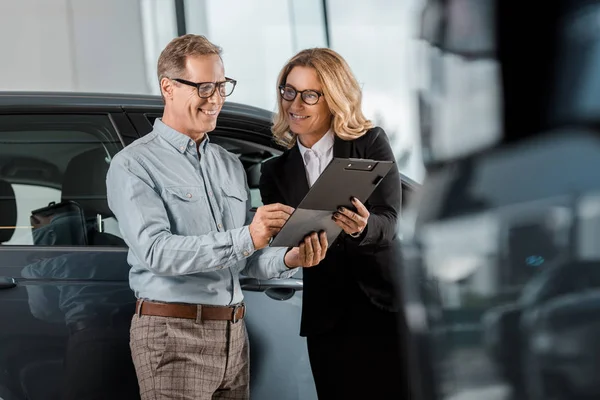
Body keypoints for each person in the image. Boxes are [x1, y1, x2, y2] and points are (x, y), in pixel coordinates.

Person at [106, 34, 327, 400]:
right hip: (172, 334)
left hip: (233, 335)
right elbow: (156, 252)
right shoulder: (133, 165)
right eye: (205, 87)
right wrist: (248, 237)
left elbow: (243, 260)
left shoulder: (227, 164)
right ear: (168, 87)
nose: (216, 99)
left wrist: (289, 258)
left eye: (222, 86)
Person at [259, 47, 410, 399]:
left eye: (310, 95)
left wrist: (362, 227)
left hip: (381, 306)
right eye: (289, 91)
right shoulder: (275, 172)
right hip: (326, 316)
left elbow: (390, 222)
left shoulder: (370, 143)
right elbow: (280, 243)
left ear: (333, 98)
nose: (295, 104)